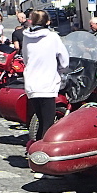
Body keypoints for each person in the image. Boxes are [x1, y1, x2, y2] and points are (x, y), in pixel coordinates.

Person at [22, 9, 69, 154]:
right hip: (47, 83)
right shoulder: (52, 37)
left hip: (31, 83)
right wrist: (60, 70)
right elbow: (64, 60)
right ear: (48, 22)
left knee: (41, 120)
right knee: (48, 123)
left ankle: (35, 151)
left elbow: (25, 58)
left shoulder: (26, 36)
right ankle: (42, 157)